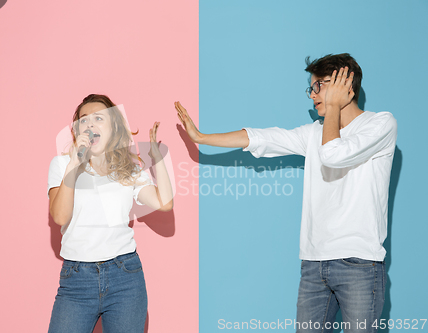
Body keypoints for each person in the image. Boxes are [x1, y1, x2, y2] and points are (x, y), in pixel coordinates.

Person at [176, 53, 397, 332]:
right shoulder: (313, 133)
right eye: (311, 88)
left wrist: (332, 109)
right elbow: (263, 137)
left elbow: (333, 154)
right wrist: (202, 138)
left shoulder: (381, 124)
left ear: (347, 86)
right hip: (314, 264)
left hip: (359, 263)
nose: (312, 95)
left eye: (319, 86)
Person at [47, 94, 173, 333]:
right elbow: (60, 217)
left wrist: (157, 160)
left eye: (99, 118)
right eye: (84, 120)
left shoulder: (129, 169)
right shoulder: (62, 164)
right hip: (77, 279)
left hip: (125, 276)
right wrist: (75, 165)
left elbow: (164, 203)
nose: (90, 124)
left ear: (114, 127)